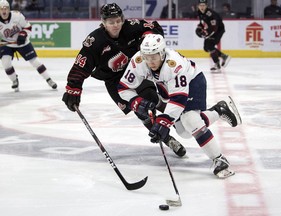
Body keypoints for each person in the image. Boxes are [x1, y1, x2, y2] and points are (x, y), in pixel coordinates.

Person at [61, 3, 186, 157]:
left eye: (118, 21)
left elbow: (153, 26)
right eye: (111, 22)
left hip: (136, 72)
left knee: (153, 99)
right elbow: (81, 65)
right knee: (141, 110)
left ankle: (177, 121)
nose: (116, 25)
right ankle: (167, 139)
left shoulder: (131, 26)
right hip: (114, 81)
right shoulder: (95, 40)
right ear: (103, 22)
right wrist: (73, 88)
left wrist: (147, 38)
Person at [118, 34, 242, 178]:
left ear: (162, 53)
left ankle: (219, 159)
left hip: (193, 82)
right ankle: (219, 110)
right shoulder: (139, 61)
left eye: (154, 57)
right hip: (166, 86)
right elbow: (123, 88)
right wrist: (136, 102)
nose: (150, 61)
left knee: (190, 120)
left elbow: (178, 100)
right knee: (185, 132)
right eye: (146, 56)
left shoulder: (174, 64)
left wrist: (163, 122)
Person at [0, 0, 57, 92]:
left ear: (9, 9)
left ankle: (49, 79)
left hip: (22, 42)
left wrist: (23, 34)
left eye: (6, 8)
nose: (4, 11)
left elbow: (28, 26)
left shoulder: (17, 15)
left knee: (36, 62)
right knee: (6, 63)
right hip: (7, 43)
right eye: (1, 9)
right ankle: (14, 80)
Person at [195, 0, 231, 73]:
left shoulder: (210, 14)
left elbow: (214, 27)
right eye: (200, 5)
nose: (202, 7)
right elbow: (202, 22)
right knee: (206, 48)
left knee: (210, 46)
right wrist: (199, 28)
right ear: (198, 6)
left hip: (218, 30)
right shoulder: (199, 12)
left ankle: (217, 64)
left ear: (206, 6)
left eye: (203, 5)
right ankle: (224, 56)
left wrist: (206, 32)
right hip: (211, 29)